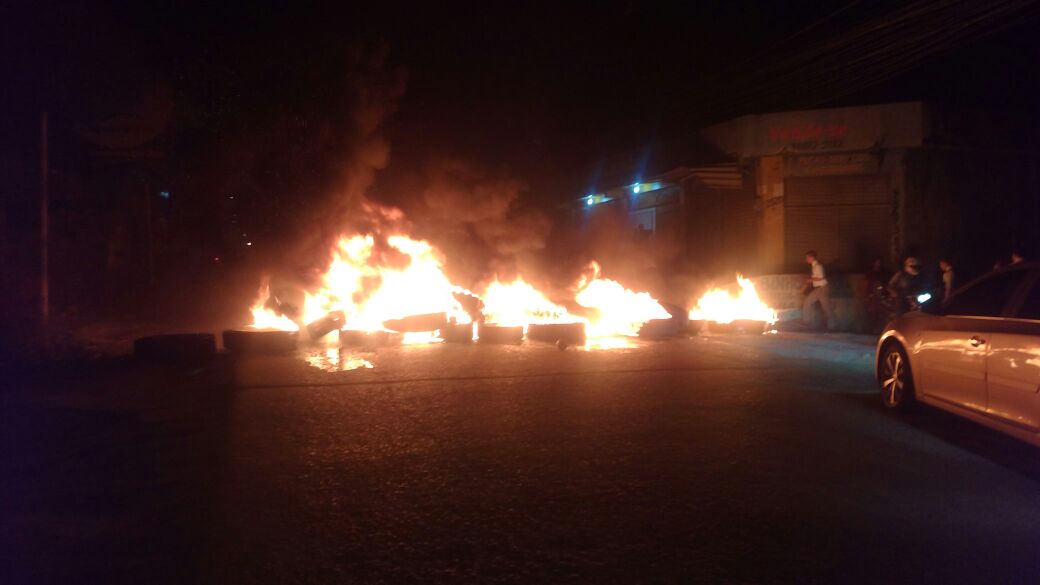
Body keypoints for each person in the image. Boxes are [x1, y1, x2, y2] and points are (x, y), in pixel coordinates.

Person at [802, 250, 831, 330]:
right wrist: (811, 280)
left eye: (807, 258)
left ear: (811, 257)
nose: (806, 259)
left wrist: (810, 280)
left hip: (821, 288)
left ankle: (806, 322)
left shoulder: (817, 266)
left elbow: (821, 277)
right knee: (826, 307)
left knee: (807, 302)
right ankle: (831, 324)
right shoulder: (816, 266)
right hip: (822, 288)